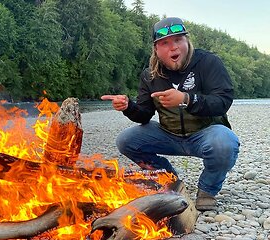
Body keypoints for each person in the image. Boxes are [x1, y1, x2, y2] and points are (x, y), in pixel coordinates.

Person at [101, 17, 240, 211]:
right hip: (169, 135)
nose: (173, 47)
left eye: (178, 40)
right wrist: (128, 106)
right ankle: (169, 178)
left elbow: (222, 101)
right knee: (125, 140)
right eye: (165, 43)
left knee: (226, 142)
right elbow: (144, 115)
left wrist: (186, 99)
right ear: (156, 50)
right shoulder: (150, 75)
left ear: (187, 41)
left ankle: (207, 189)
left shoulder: (208, 62)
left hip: (205, 134)